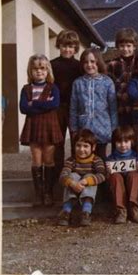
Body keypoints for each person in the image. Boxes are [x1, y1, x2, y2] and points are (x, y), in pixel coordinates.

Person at [19, 54, 63, 206]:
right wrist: (44, 104)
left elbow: (55, 104)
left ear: (47, 70)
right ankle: (38, 194)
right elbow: (24, 108)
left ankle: (48, 193)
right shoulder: (26, 89)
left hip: (49, 126)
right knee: (37, 159)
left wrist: (34, 104)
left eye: (42, 69)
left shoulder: (53, 88)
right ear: (30, 71)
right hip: (33, 127)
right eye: (35, 69)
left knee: (49, 159)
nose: (39, 72)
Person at [70, 48, 118, 160]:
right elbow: (73, 108)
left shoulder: (107, 82)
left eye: (93, 62)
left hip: (103, 127)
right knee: (84, 157)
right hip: (84, 127)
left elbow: (113, 108)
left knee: (100, 157)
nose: (89, 65)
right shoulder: (78, 83)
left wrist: (114, 128)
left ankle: (102, 177)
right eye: (86, 62)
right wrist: (73, 128)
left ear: (99, 62)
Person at [50, 30, 82, 198]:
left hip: (74, 107)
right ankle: (58, 176)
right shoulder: (52, 64)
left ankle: (76, 172)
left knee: (77, 140)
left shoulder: (79, 66)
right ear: (59, 46)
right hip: (57, 107)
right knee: (58, 142)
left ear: (75, 48)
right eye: (64, 46)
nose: (67, 50)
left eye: (71, 47)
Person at [57, 129, 107, 227]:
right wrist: (72, 183)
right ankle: (66, 212)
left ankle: (86, 212)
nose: (81, 149)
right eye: (78, 145)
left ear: (93, 147)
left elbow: (102, 175)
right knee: (72, 176)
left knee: (90, 176)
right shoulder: (71, 160)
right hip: (74, 189)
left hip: (90, 192)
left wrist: (86, 181)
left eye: (85, 146)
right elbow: (63, 176)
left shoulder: (96, 160)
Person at [105, 126, 138, 224]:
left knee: (134, 175)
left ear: (132, 142)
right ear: (114, 143)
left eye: (126, 141)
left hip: (132, 186)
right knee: (115, 176)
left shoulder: (137, 157)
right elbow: (108, 180)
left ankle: (134, 208)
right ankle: (121, 211)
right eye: (119, 142)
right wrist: (108, 172)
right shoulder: (111, 158)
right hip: (118, 187)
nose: (123, 145)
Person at [107, 27, 138, 126]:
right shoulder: (112, 64)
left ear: (134, 46)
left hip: (137, 107)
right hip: (119, 107)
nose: (125, 49)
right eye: (122, 46)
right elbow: (110, 87)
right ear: (117, 46)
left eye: (129, 46)